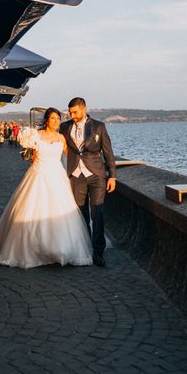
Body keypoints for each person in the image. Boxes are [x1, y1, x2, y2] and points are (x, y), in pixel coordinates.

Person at [0, 108, 92, 268]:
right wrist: (29, 155)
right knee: (31, 208)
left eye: (58, 118)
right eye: (52, 118)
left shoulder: (61, 138)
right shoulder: (36, 135)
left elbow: (72, 157)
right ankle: (32, 250)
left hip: (57, 176)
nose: (55, 121)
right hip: (38, 174)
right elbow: (28, 155)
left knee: (60, 210)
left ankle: (60, 249)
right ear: (46, 120)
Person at [60, 97, 117, 267]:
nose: (71, 115)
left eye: (74, 112)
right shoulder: (64, 127)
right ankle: (84, 248)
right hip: (75, 175)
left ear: (83, 109)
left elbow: (108, 152)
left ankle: (98, 252)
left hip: (96, 175)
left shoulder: (99, 126)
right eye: (70, 112)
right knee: (80, 213)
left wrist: (112, 175)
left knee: (97, 213)